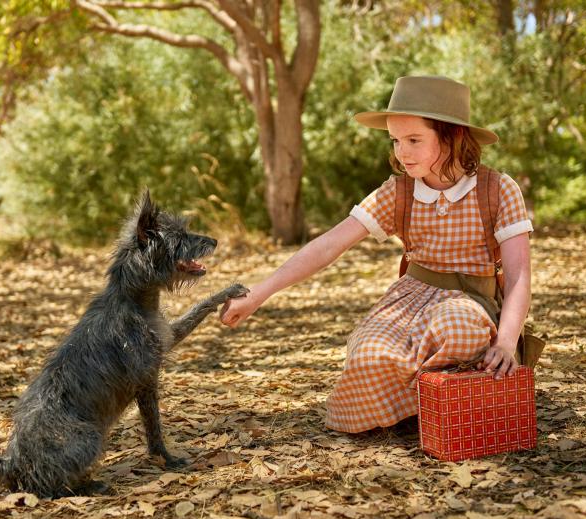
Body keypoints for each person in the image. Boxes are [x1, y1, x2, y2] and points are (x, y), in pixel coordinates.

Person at [219, 75, 533, 434]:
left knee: (456, 327)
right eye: (396, 140)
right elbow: (328, 246)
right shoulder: (398, 192)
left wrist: (507, 341)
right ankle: (423, 404)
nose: (402, 152)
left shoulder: (497, 189)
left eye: (415, 140)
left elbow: (519, 273)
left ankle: (453, 401)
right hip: (411, 300)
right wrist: (259, 294)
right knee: (369, 354)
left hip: (472, 301)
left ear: (453, 137)